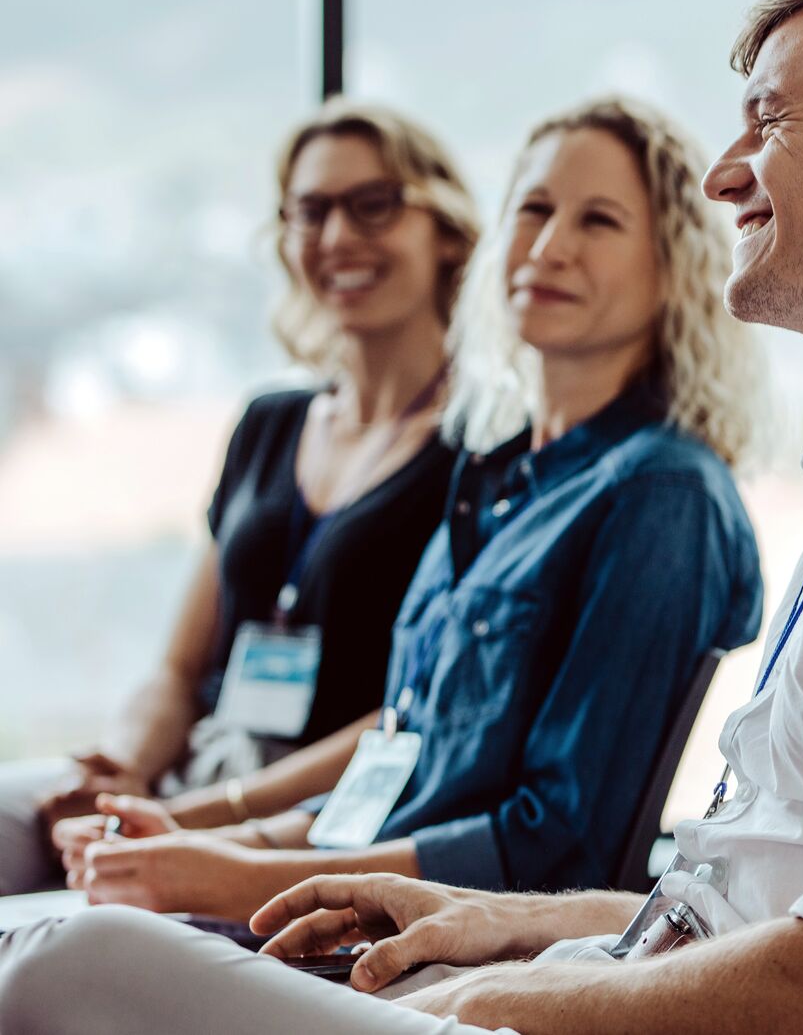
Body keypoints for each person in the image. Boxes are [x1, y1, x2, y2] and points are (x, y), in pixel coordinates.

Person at [0, 0, 803, 1035]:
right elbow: (760, 893)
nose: (725, 173)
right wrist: (493, 925)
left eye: (769, 121)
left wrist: (505, 994)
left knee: (63, 955)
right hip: (608, 965)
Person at [51, 95, 766, 921]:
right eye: (532, 210)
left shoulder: (661, 494)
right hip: (340, 912)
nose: (548, 246)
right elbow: (395, 769)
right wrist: (210, 846)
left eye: (598, 221)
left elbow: (556, 846)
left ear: (671, 265)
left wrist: (226, 876)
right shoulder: (499, 485)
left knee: (49, 953)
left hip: (446, 954)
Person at [0, 100, 477, 897]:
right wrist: (122, 769)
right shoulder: (269, 422)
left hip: (308, 815)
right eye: (311, 211)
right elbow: (180, 666)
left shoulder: (481, 450)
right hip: (192, 774)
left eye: (375, 204)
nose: (337, 237)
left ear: (448, 231)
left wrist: (202, 818)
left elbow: (422, 709)